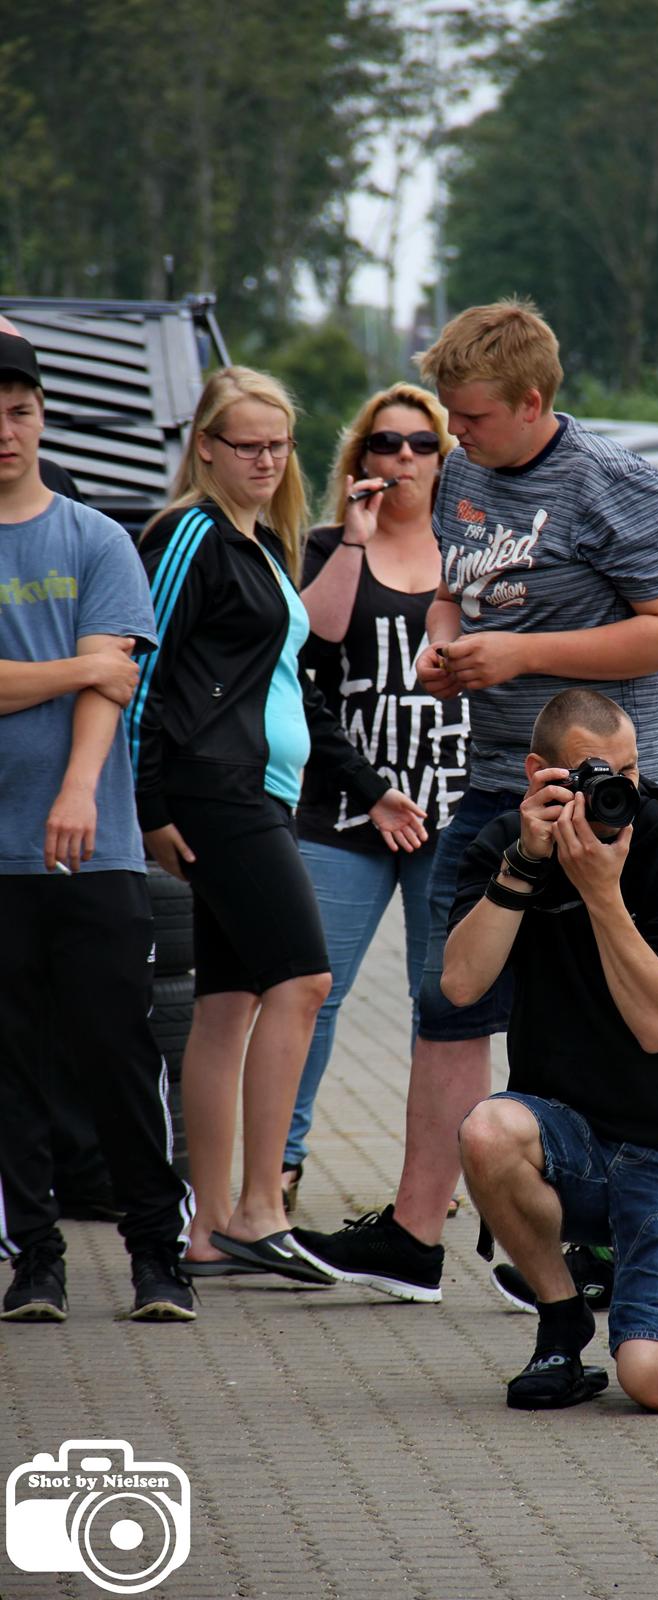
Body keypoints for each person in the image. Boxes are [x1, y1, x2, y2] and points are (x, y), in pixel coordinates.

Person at [290, 299, 658, 1302]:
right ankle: (412, 1235)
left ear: (530, 402)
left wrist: (521, 654)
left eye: (469, 419)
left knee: (596, 1012)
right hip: (493, 788)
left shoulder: (615, 485)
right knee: (450, 999)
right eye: (447, 419)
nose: (452, 439)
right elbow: (458, 585)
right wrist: (445, 646)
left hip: (612, 791)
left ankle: (583, 1235)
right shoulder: (469, 469)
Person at [126, 366, 425, 1283]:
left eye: (278, 443)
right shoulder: (190, 534)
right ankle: (262, 1205)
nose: (264, 458)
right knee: (304, 980)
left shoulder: (261, 544)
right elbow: (144, 669)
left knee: (227, 1007)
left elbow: (292, 688)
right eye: (245, 443)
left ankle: (208, 1226)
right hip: (217, 791)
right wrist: (148, 807)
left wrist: (369, 786)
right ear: (205, 447)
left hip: (260, 791)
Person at [444, 688, 658, 1411]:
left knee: (653, 1384)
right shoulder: (507, 848)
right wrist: (524, 865)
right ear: (539, 775)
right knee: (487, 1129)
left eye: (627, 773)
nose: (614, 794)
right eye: (591, 775)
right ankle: (560, 1318)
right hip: (572, 1140)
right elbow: (460, 986)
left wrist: (601, 895)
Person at [0, 328, 196, 1322]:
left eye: (20, 410)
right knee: (12, 1069)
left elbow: (114, 687)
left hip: (95, 850)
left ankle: (158, 1256)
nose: (5, 430)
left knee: (120, 1058)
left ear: (42, 417)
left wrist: (79, 790)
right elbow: (96, 667)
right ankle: (34, 1261)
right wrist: (80, 665)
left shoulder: (93, 538)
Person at [283, 383, 468, 1210]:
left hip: (457, 815)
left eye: (422, 444)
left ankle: (440, 1182)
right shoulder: (325, 548)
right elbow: (303, 678)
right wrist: (374, 788)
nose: (403, 459)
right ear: (360, 458)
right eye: (386, 444)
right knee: (309, 991)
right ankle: (278, 1166)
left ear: (444, 456)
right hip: (345, 813)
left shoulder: (472, 556)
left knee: (449, 1005)